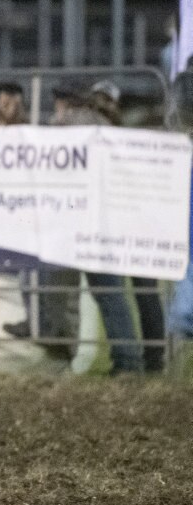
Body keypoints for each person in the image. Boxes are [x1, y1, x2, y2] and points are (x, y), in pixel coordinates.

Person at [48, 79, 144, 374]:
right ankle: (128, 361)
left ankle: (58, 351)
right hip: (105, 219)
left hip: (73, 217)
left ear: (64, 101)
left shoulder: (65, 123)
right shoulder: (106, 123)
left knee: (55, 286)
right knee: (110, 291)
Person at [89, 79, 165, 372]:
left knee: (144, 293)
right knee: (130, 292)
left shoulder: (132, 137)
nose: (102, 108)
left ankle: (152, 359)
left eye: (107, 102)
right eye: (98, 101)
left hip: (138, 224)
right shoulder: (99, 137)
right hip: (114, 225)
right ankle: (140, 359)